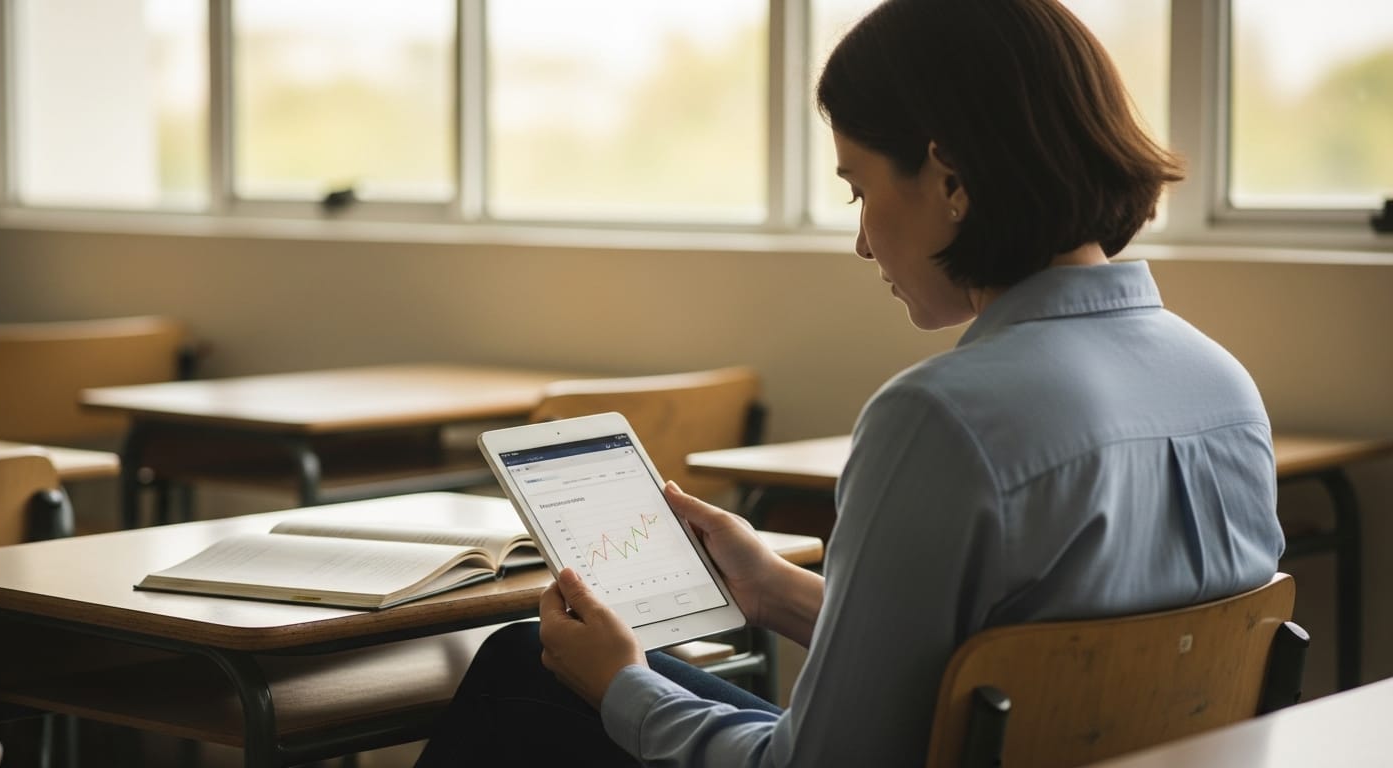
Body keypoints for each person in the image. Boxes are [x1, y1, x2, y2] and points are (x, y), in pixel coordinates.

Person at [414, 0, 1285, 765]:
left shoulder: (941, 419)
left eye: (857, 190)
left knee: (524, 666)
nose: (863, 243)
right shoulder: (1223, 385)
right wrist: (776, 592)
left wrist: (619, 688)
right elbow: (1018, 667)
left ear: (950, 179)